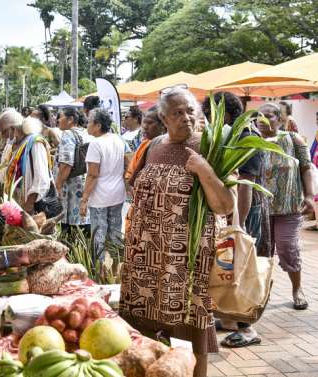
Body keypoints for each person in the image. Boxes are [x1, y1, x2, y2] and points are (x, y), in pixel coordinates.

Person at [120, 87, 235, 377]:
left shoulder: (208, 147)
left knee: (193, 327)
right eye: (177, 113)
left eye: (190, 111)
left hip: (185, 256)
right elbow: (136, 187)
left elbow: (224, 205)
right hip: (146, 254)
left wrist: (205, 171)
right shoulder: (154, 145)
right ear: (163, 117)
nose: (185, 117)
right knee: (147, 326)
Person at [202, 92, 271, 348]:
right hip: (240, 210)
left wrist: (237, 223)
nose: (210, 121)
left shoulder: (246, 138)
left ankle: (248, 328)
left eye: (212, 115)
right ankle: (231, 320)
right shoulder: (235, 135)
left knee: (242, 269)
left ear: (225, 113)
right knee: (229, 269)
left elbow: (246, 186)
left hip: (247, 211)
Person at [256, 102, 315, 310]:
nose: (262, 121)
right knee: (261, 253)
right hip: (259, 209)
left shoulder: (293, 139)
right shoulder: (251, 142)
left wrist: (309, 195)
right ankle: (260, 294)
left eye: (268, 116)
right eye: (258, 117)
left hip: (288, 207)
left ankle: (297, 289)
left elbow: (307, 169)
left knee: (288, 248)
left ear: (280, 119)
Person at [80, 109, 129, 260]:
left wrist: (84, 199)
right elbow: (129, 162)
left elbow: (93, 174)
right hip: (117, 193)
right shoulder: (118, 139)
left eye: (89, 122)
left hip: (100, 197)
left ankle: (99, 271)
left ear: (97, 125)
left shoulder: (95, 144)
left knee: (98, 236)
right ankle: (116, 268)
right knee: (115, 234)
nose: (87, 125)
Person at [5, 117, 53, 214]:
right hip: (22, 199)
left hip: (33, 203)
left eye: (12, 130)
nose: (12, 135)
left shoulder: (35, 143)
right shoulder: (22, 143)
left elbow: (41, 177)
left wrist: (30, 203)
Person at [54, 107, 91, 233]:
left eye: (61, 116)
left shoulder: (68, 134)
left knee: (70, 228)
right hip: (85, 185)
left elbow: (66, 163)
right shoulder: (86, 133)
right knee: (83, 224)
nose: (58, 119)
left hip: (71, 188)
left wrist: (58, 185)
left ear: (70, 119)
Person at [124, 105, 166, 184]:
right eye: (144, 122)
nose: (145, 127)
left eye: (150, 122)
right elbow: (130, 172)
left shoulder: (171, 146)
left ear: (163, 125)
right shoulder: (144, 144)